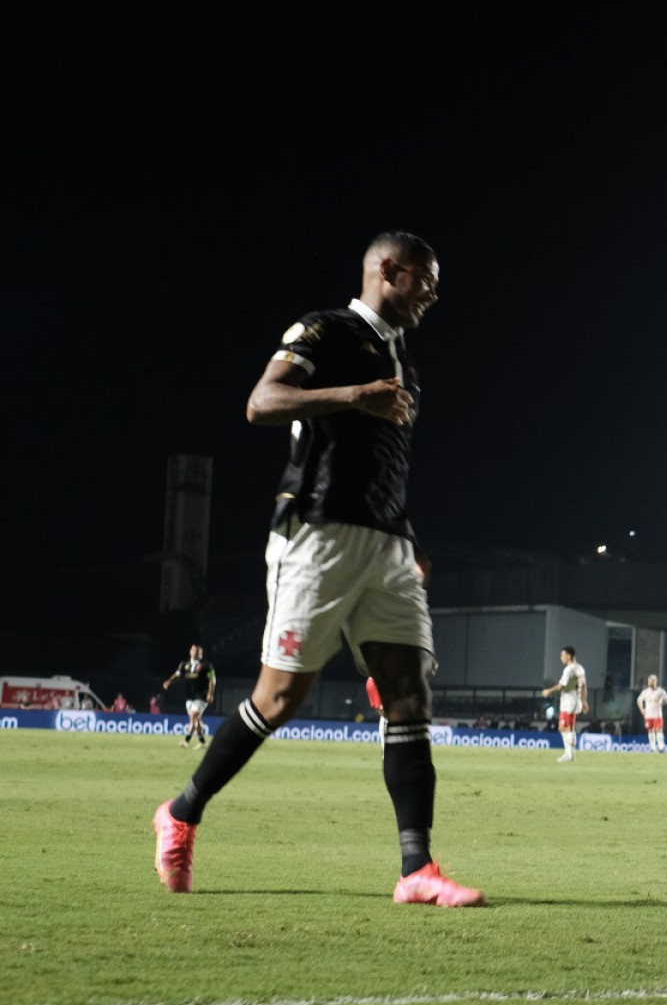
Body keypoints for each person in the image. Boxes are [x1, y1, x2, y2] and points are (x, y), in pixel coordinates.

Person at [150, 231, 482, 907]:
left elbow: (381, 461)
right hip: (318, 535)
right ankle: (181, 811)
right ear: (387, 270)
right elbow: (261, 402)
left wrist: (407, 535)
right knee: (279, 699)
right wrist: (356, 393)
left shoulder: (404, 362)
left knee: (409, 692)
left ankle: (416, 868)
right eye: (425, 277)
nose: (434, 291)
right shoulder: (326, 331)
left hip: (386, 544)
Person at [162, 644, 217, 748]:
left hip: (201, 696)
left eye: (196, 650)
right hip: (189, 697)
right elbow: (177, 675)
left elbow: (212, 680)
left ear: (200, 653)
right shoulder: (184, 664)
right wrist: (168, 682)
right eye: (192, 650)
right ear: (190, 652)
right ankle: (202, 742)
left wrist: (210, 693)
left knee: (193, 717)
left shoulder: (206, 665)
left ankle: (186, 741)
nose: (194, 652)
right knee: (197, 720)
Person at [541, 647, 588, 763]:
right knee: (569, 728)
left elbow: (561, 686)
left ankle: (569, 755)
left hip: (568, 701)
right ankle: (571, 754)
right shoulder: (579, 668)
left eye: (562, 655)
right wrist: (585, 701)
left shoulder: (569, 669)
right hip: (576, 701)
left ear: (569, 656)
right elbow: (584, 686)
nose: (561, 657)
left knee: (565, 728)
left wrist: (548, 691)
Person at [637, 674, 667, 753]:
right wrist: (642, 709)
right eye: (649, 681)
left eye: (652, 681)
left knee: (659, 730)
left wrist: (663, 700)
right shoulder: (645, 692)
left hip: (657, 715)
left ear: (656, 682)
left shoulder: (660, 691)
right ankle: (652, 748)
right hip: (648, 715)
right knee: (650, 730)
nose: (650, 683)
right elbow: (639, 700)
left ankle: (661, 747)